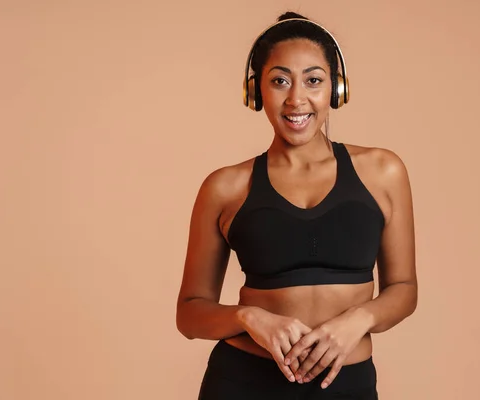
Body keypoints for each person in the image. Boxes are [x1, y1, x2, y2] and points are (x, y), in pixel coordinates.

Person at [176, 11, 417, 400]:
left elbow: (404, 289)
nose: (296, 98)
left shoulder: (383, 171)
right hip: (242, 383)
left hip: (347, 387)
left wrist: (358, 320)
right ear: (255, 92)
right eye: (280, 81)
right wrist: (248, 317)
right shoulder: (223, 187)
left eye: (314, 80)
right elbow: (189, 314)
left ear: (337, 90)